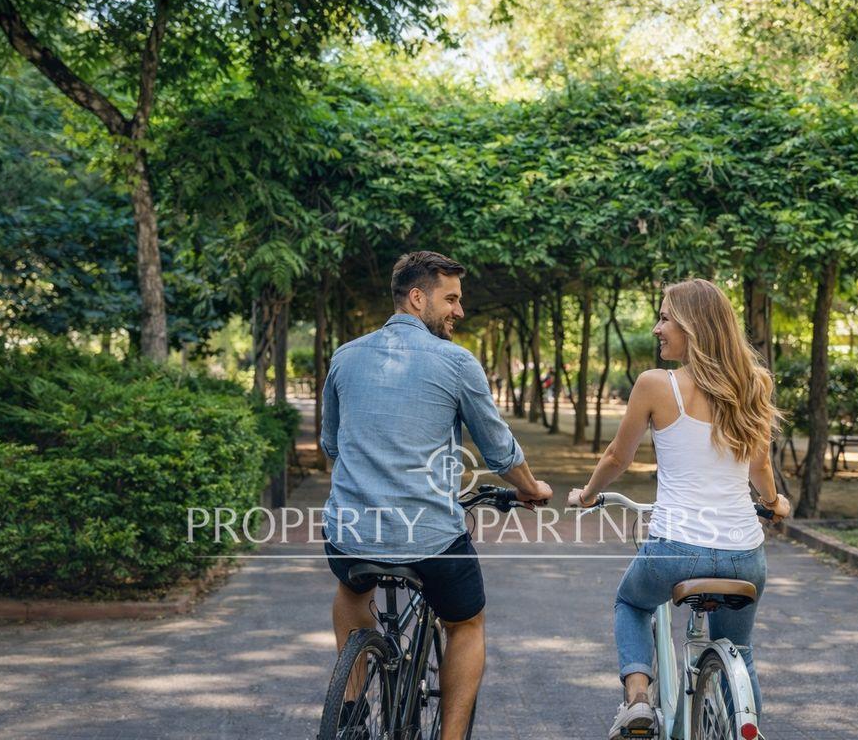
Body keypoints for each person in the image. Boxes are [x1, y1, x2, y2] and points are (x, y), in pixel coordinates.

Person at [321, 250, 552, 740]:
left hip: (349, 535)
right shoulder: (455, 363)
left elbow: (332, 445)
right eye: (451, 299)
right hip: (430, 540)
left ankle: (351, 709)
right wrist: (532, 489)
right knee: (466, 624)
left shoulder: (344, 356)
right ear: (418, 297)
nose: (459, 311)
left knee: (350, 591)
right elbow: (498, 450)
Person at [567, 278, 790, 739]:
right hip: (744, 554)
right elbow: (760, 465)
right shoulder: (754, 383)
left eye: (665, 317)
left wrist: (587, 495)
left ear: (693, 325)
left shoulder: (655, 384)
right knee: (739, 649)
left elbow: (616, 457)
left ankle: (637, 700)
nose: (656, 328)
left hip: (675, 548)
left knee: (631, 602)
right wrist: (773, 503)